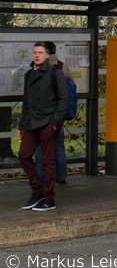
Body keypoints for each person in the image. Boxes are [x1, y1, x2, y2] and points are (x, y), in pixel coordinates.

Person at [18, 41, 68, 212]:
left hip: (47, 123)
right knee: (24, 155)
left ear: (47, 55)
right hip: (30, 124)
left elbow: (63, 100)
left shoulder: (56, 74)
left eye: (40, 52)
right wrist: (21, 126)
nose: (37, 55)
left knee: (47, 161)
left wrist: (54, 122)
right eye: (34, 52)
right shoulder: (28, 74)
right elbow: (26, 101)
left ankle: (49, 198)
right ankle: (37, 191)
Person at [34, 40, 68, 185]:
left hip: (43, 117)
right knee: (59, 146)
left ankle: (41, 177)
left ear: (46, 53)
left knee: (40, 149)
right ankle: (62, 175)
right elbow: (70, 90)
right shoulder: (63, 66)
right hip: (58, 117)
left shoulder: (38, 69)